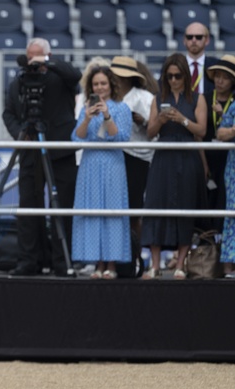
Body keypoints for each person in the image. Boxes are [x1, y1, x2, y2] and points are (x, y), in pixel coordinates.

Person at [2, 37, 82, 277]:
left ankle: (62, 262)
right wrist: (20, 133)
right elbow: (8, 113)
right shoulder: (19, 82)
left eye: (37, 57)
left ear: (48, 56)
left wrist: (47, 63)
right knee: (29, 207)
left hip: (60, 150)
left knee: (61, 207)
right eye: (29, 57)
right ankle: (29, 260)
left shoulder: (60, 77)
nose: (33, 62)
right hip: (30, 152)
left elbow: (75, 75)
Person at [141, 53, 208, 280]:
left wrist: (182, 119)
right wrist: (160, 120)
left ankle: (180, 264)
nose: (173, 80)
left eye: (177, 76)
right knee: (155, 205)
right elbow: (150, 133)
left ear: (185, 76)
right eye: (168, 76)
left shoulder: (197, 99)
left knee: (185, 206)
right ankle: (155, 265)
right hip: (164, 157)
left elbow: (202, 131)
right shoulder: (157, 98)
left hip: (187, 157)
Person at [71, 66, 133, 279]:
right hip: (90, 164)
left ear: (111, 85)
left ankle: (112, 264)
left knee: (113, 212)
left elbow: (121, 137)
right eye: (96, 84)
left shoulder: (121, 108)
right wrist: (87, 118)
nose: (99, 87)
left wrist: (107, 115)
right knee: (93, 211)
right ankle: (97, 263)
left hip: (113, 165)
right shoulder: (85, 109)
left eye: (103, 83)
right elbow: (76, 138)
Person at [110, 56, 158, 241]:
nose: (117, 79)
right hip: (113, 156)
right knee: (112, 208)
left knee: (133, 208)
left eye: (120, 76)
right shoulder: (107, 97)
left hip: (137, 157)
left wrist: (143, 121)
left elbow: (156, 132)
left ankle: (135, 251)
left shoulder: (145, 98)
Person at [201, 55, 235, 234]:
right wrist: (203, 162)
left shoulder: (234, 102)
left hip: (229, 159)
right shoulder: (204, 98)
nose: (220, 81)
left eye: (225, 77)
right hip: (207, 156)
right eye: (217, 76)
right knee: (205, 199)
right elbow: (198, 134)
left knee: (225, 199)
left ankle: (222, 242)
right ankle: (205, 243)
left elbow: (226, 129)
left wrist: (223, 115)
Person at [213, 56, 235, 277]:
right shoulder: (234, 105)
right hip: (233, 168)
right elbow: (221, 133)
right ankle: (229, 265)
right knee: (232, 213)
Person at [183, 22, 219, 96]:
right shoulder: (175, 65)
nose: (194, 40)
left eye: (198, 37)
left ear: (207, 40)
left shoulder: (216, 65)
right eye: (189, 37)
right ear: (184, 40)